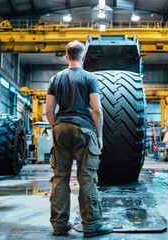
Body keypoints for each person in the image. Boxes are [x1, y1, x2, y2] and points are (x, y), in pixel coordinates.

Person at [45, 40, 113, 237]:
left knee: (60, 177)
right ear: (83, 57)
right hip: (84, 129)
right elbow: (97, 110)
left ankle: (59, 225)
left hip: (61, 128)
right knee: (86, 179)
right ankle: (91, 225)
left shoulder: (55, 79)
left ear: (67, 56)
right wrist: (99, 135)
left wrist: (56, 129)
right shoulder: (90, 78)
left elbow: (49, 110)